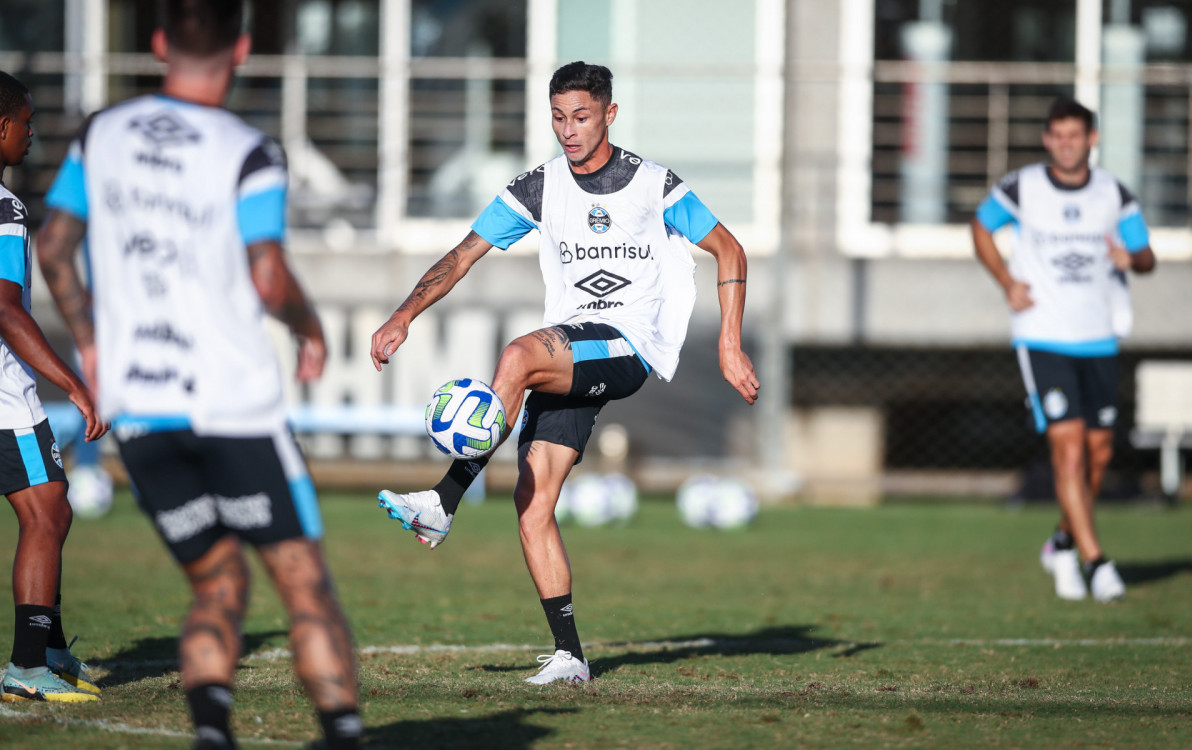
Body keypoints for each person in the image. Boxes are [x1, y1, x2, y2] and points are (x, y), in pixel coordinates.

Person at [36, 2, 361, 747]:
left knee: (217, 584)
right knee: (303, 584)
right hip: (232, 405)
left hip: (143, 411)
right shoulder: (248, 150)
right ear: (242, 49)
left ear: (157, 44)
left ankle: (213, 732)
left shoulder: (101, 134)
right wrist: (309, 329)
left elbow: (55, 248)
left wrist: (89, 342)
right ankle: (342, 732)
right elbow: (270, 278)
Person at [372, 61, 759, 684]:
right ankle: (571, 658)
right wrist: (403, 314)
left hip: (631, 345)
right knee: (532, 502)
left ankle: (444, 499)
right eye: (558, 117)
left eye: (581, 116)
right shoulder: (538, 187)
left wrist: (730, 345)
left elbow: (729, 249)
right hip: (576, 348)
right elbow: (463, 253)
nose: (568, 130)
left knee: (518, 355)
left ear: (609, 114)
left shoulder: (652, 184)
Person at [972, 97, 1155, 603]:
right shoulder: (1021, 186)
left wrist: (1131, 256)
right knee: (1068, 448)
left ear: (1091, 139)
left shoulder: (1113, 194)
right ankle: (1096, 562)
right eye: (1057, 135)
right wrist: (1006, 281)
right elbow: (981, 226)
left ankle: (1061, 540)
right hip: (1043, 335)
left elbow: (1146, 256)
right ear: (1047, 138)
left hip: (1099, 335)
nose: (1066, 143)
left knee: (1098, 453)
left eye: (1075, 135)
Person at [0, 71, 105, 704]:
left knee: (54, 505)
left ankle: (51, 645)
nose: (32, 132)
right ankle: (27, 664)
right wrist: (74, 382)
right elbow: (7, 310)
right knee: (46, 509)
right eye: (25, 122)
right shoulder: (5, 208)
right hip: (4, 395)